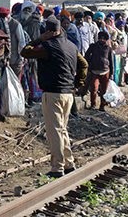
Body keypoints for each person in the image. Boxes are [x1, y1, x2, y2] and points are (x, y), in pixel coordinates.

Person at [21, 15, 83, 178]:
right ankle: (69, 163)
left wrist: (38, 39)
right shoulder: (71, 46)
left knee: (54, 131)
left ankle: (58, 167)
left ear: (48, 31)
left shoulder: (47, 47)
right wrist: (77, 83)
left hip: (53, 93)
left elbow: (25, 52)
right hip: (68, 93)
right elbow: (84, 64)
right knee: (62, 129)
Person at [84, 31, 114, 111]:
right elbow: (86, 56)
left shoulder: (108, 48)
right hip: (94, 71)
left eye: (104, 38)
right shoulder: (93, 46)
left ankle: (102, 106)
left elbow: (111, 61)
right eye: (100, 38)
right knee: (94, 88)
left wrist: (111, 73)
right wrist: (90, 65)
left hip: (105, 71)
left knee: (104, 90)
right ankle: (93, 104)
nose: (102, 40)